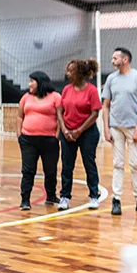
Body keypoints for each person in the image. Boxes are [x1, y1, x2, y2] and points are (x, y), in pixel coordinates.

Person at [102, 47, 137, 215]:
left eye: (115, 57)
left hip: (133, 128)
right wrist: (106, 128)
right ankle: (116, 200)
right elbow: (105, 106)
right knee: (117, 164)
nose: (112, 61)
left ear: (125, 60)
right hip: (115, 127)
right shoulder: (111, 79)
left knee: (135, 164)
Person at [56, 59, 102, 211]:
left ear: (79, 73)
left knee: (89, 164)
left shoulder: (92, 90)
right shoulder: (67, 89)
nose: (67, 73)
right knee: (67, 165)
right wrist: (64, 130)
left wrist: (78, 131)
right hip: (68, 132)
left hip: (87, 132)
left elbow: (95, 113)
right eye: (67, 70)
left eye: (71, 70)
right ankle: (65, 197)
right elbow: (60, 111)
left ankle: (94, 196)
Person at [16, 71, 61, 210]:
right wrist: (20, 135)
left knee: (50, 170)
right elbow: (19, 116)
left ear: (40, 82)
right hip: (28, 140)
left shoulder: (55, 97)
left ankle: (51, 196)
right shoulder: (26, 97)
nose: (29, 84)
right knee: (28, 171)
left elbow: (61, 117)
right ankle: (25, 200)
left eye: (32, 81)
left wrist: (57, 136)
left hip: (49, 140)